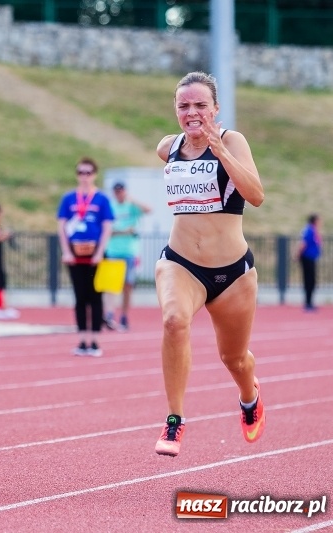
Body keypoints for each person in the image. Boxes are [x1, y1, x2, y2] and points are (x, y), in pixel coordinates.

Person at [153, 71, 266, 457]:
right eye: (184, 105)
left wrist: (221, 150)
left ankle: (249, 398)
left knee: (234, 358)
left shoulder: (232, 140)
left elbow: (256, 195)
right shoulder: (168, 147)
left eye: (201, 105)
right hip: (181, 262)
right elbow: (168, 154)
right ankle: (174, 420)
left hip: (233, 273)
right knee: (173, 321)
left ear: (215, 109)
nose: (192, 112)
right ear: (176, 110)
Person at [57, 157, 113, 357]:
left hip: (96, 254)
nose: (84, 176)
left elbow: (107, 227)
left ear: (94, 175)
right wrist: (66, 251)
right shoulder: (69, 199)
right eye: (81, 172)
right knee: (80, 297)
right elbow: (62, 226)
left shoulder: (102, 199)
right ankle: (82, 340)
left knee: (95, 297)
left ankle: (95, 341)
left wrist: (99, 252)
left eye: (88, 172)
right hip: (74, 254)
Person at [104, 181, 151, 331]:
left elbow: (148, 210)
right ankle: (109, 314)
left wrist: (132, 199)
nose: (119, 194)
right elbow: (108, 229)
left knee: (127, 285)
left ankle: (124, 315)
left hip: (130, 251)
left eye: (121, 191)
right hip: (113, 251)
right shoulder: (110, 206)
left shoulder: (131, 206)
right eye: (117, 191)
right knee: (111, 285)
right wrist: (124, 231)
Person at [296, 213, 321, 312]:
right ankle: (308, 303)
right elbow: (303, 243)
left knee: (311, 280)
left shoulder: (312, 230)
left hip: (311, 258)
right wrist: (297, 254)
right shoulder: (309, 230)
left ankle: (309, 302)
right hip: (307, 258)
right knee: (309, 280)